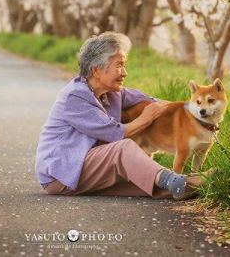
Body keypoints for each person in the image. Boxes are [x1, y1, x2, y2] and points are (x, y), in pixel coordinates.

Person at [35, 31, 204, 199]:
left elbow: (154, 102)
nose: (125, 72)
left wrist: (195, 115)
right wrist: (146, 118)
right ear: (96, 70)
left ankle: (198, 183)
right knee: (123, 148)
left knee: (148, 184)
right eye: (119, 65)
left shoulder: (114, 92)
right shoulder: (74, 96)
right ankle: (173, 180)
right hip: (62, 172)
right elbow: (115, 133)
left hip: (89, 167)